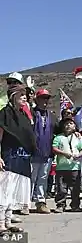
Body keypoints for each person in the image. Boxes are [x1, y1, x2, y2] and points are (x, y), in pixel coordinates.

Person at [0, 84, 36, 235]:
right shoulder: (4, 114)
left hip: (21, 158)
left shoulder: (23, 115)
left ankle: (8, 221)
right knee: (4, 191)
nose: (24, 97)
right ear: (13, 96)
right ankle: (1, 223)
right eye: (21, 94)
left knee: (13, 192)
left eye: (25, 95)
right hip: (8, 156)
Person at [31, 89, 58, 214]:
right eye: (42, 98)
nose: (45, 101)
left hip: (47, 152)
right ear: (37, 99)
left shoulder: (51, 116)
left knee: (42, 179)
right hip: (32, 152)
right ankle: (25, 203)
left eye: (47, 98)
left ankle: (41, 203)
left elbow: (59, 130)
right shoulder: (30, 113)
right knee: (31, 178)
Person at [52, 118, 82, 213]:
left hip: (75, 167)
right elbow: (54, 149)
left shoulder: (77, 137)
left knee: (75, 188)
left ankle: (75, 205)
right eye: (66, 124)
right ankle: (60, 204)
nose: (68, 125)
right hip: (61, 167)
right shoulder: (58, 137)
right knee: (61, 188)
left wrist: (78, 155)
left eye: (71, 123)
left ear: (75, 126)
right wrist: (63, 153)